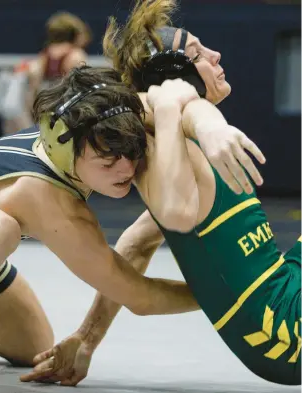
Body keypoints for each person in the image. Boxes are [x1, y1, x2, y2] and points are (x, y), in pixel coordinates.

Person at [22, 0, 301, 386]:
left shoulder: (168, 136)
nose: (215, 55)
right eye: (197, 53)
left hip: (283, 305)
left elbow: (137, 241)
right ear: (174, 75)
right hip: (286, 329)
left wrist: (87, 338)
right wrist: (199, 120)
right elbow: (174, 203)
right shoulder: (162, 134)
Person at [0, 12, 91, 135]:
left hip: (45, 110)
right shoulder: (75, 55)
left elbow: (34, 90)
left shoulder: (44, 55)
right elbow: (80, 91)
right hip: (66, 112)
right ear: (75, 34)